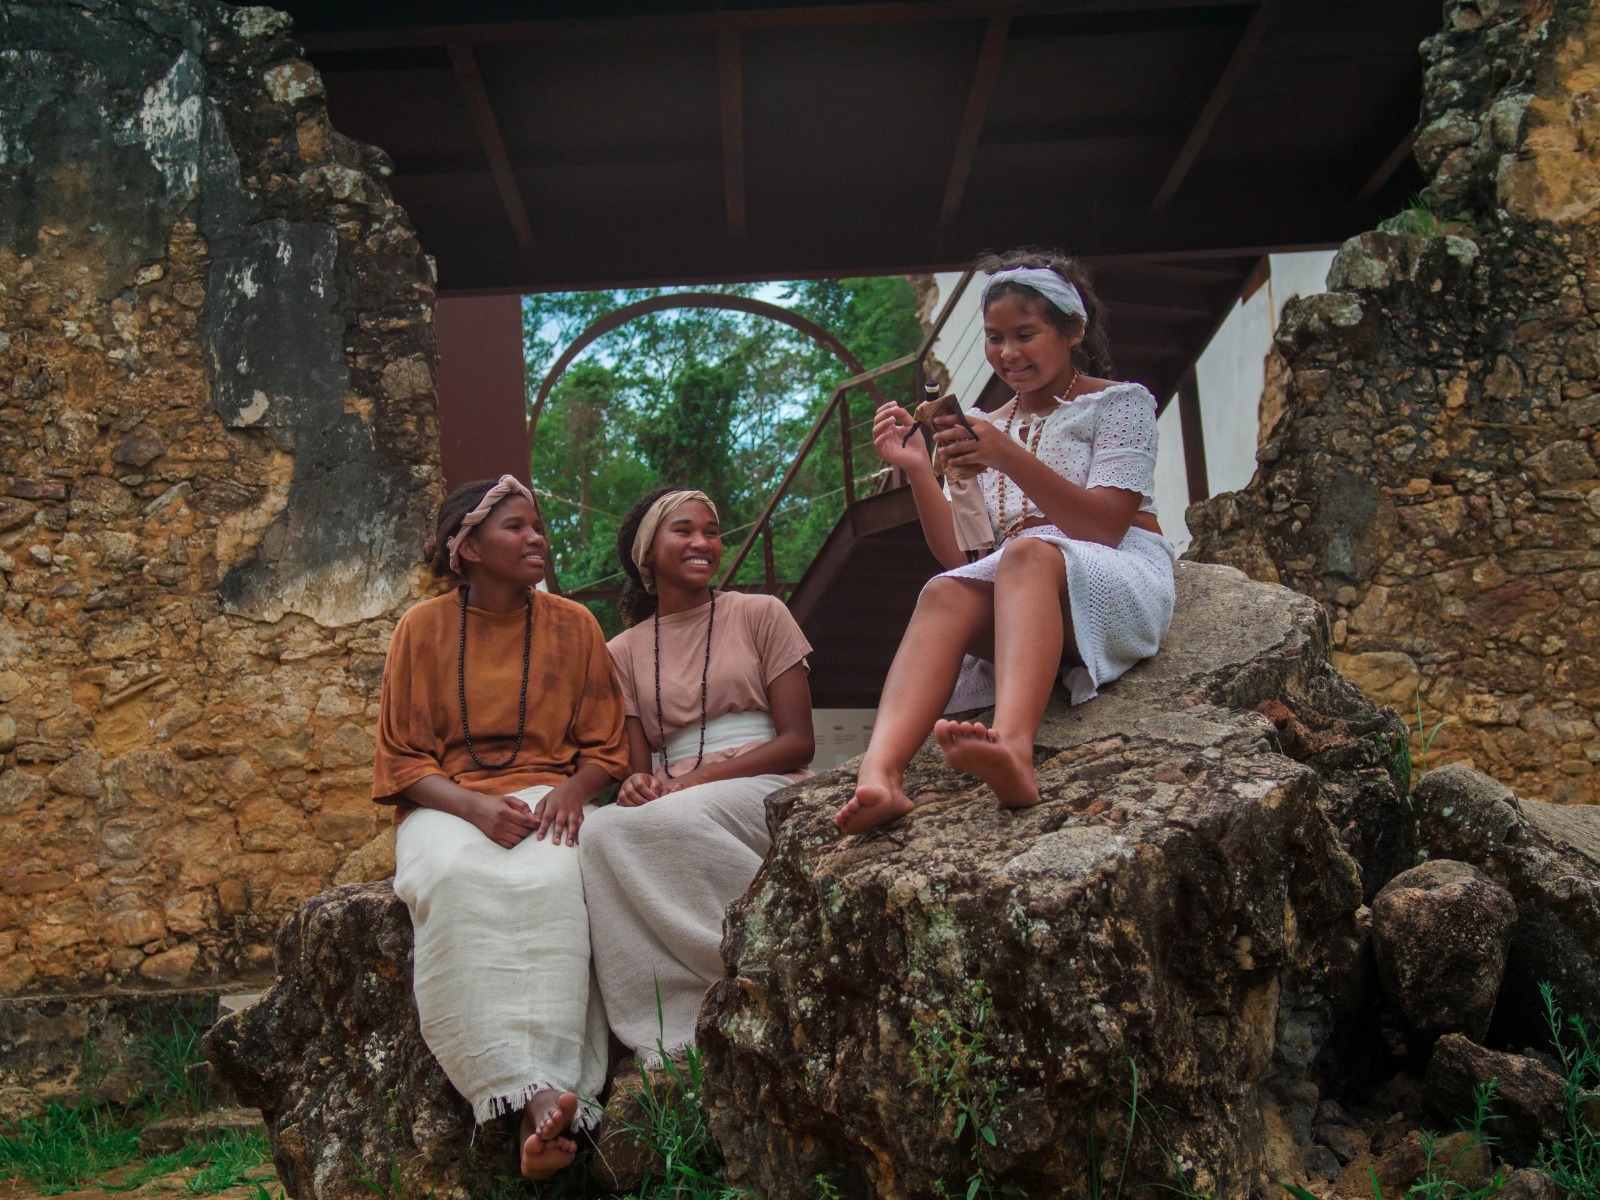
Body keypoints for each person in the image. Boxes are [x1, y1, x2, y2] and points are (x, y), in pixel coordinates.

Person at [835, 249, 1176, 833]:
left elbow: (1105, 525)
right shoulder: (984, 423)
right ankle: (882, 774)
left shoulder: (1121, 403)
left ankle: (1014, 746)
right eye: (995, 338)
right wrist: (920, 469)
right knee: (944, 591)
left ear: (1073, 330)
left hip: (1115, 578)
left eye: (1026, 334)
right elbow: (964, 554)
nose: (1007, 353)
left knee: (1025, 553)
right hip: (1028, 593)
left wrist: (1007, 456)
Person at [371, 475, 630, 1181]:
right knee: (455, 878)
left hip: (549, 793)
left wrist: (575, 791)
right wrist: (472, 807)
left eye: (539, 524)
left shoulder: (574, 625)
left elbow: (608, 747)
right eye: (516, 527)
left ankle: (541, 1098)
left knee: (554, 876)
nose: (537, 537)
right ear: (469, 548)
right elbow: (399, 761)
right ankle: (520, 1088)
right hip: (446, 805)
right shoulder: (420, 629)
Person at [581, 487, 814, 1065]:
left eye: (710, 531)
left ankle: (763, 958)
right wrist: (638, 785)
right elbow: (637, 773)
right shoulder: (621, 652)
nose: (703, 542)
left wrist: (696, 779)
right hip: (673, 793)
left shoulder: (762, 613)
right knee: (599, 833)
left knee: (672, 815)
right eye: (683, 531)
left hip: (766, 775)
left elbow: (798, 741)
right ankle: (672, 1024)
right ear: (647, 557)